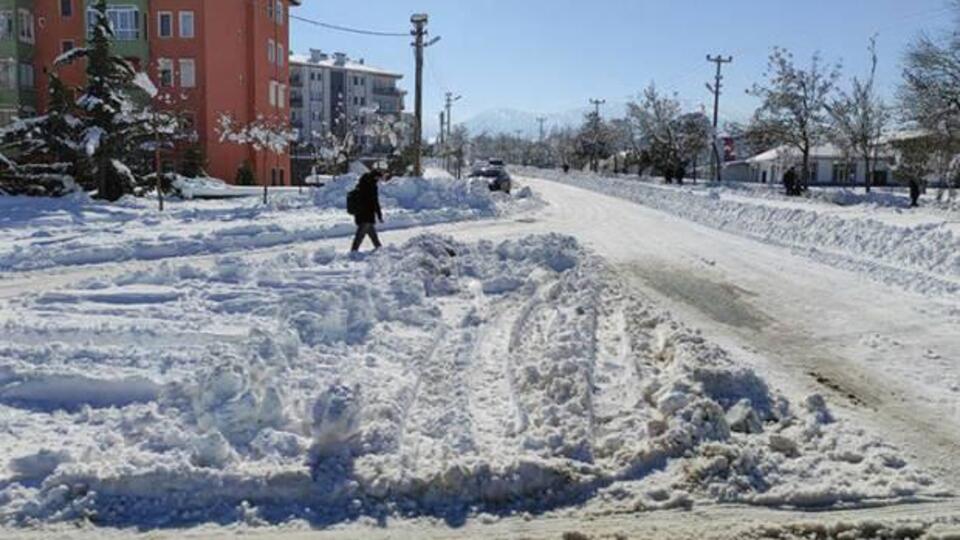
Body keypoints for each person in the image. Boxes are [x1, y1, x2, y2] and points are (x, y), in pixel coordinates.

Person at [350, 170, 385, 252]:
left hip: (359, 213)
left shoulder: (361, 183)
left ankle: (379, 248)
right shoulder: (371, 185)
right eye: (378, 178)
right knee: (360, 234)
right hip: (367, 213)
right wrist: (379, 215)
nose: (379, 180)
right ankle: (353, 251)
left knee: (372, 233)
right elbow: (375, 201)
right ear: (375, 177)